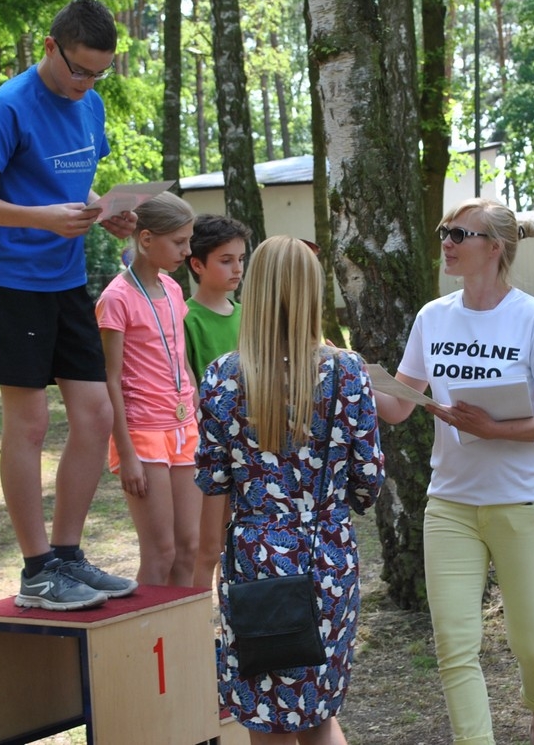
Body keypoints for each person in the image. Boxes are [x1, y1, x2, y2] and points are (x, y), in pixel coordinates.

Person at [0, 0, 138, 610]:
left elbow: (71, 185)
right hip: (13, 282)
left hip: (66, 279)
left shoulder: (91, 104)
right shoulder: (8, 106)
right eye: (79, 70)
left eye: (99, 74)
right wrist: (43, 218)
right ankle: (36, 571)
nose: (87, 84)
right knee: (29, 424)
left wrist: (103, 212)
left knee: (96, 415)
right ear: (50, 47)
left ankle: (67, 555)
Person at [374, 198, 534, 745]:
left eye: (461, 234)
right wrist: (353, 373)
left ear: (495, 248)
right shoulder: (433, 317)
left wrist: (494, 429)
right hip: (450, 506)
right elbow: (399, 407)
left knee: (530, 641)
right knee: (454, 645)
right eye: (446, 231)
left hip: (522, 504)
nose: (447, 242)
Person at [195, 235, 384, 745]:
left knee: (266, 717)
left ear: (255, 290)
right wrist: (336, 502)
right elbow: (369, 477)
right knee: (318, 713)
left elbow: (213, 479)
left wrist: (204, 566)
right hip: (328, 555)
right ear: (312, 291)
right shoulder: (347, 371)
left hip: (255, 559)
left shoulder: (224, 376)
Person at [97, 191, 201, 586]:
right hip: (143, 434)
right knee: (161, 552)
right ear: (145, 239)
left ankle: (182, 627)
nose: (186, 251)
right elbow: (111, 379)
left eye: (188, 241)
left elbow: (180, 355)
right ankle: (149, 627)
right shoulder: (116, 298)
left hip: (184, 429)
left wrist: (191, 394)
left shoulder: (173, 289)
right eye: (178, 242)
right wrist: (126, 452)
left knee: (188, 548)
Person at [183, 213, 251, 591]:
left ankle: (232, 617)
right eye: (226, 260)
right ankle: (195, 619)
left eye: (241, 258)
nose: (237, 268)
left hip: (249, 448)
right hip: (208, 449)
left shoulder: (248, 317)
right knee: (206, 547)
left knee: (236, 543)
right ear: (197, 264)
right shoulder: (186, 319)